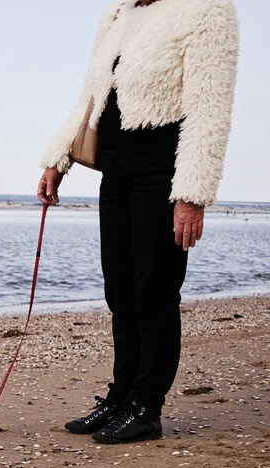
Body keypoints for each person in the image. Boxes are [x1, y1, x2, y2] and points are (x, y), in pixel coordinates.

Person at [36, 0, 239, 444]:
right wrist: (58, 159)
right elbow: (92, 95)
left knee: (155, 291)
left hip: (162, 173)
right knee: (120, 291)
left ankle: (147, 406)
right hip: (116, 171)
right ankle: (121, 397)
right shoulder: (117, 13)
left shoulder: (207, 9)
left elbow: (210, 109)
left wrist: (191, 195)